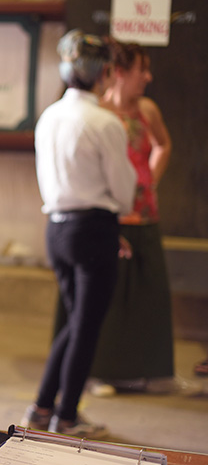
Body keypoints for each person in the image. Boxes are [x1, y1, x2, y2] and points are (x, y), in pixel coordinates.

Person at [23, 29, 136, 438]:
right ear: (105, 72)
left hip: (57, 230)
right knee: (85, 328)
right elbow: (123, 192)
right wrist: (110, 222)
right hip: (93, 230)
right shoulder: (105, 122)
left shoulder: (49, 116)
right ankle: (66, 417)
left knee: (75, 322)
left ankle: (41, 408)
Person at [85, 40, 176, 395]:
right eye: (142, 69)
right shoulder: (98, 112)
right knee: (106, 296)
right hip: (110, 216)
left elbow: (163, 145)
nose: (148, 77)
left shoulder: (147, 110)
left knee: (150, 292)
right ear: (120, 72)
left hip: (145, 214)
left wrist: (149, 180)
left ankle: (152, 371)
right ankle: (98, 371)